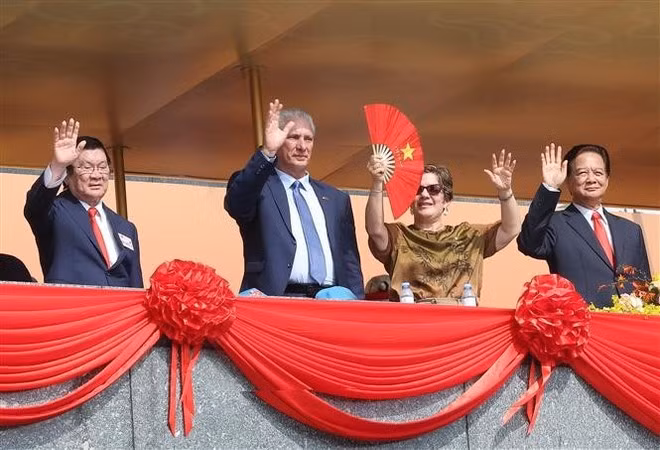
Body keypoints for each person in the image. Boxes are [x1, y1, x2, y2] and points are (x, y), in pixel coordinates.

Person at [225, 99, 364, 299]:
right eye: (293, 137)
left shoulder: (336, 199)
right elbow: (237, 204)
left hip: (332, 301)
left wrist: (358, 302)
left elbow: (350, 260)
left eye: (308, 139)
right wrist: (267, 152)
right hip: (278, 300)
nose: (302, 146)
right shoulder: (261, 187)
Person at [366, 150, 520, 303]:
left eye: (433, 189)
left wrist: (505, 192)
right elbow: (375, 230)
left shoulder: (468, 236)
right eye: (418, 190)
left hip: (460, 321)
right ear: (411, 203)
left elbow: (510, 228)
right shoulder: (399, 236)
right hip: (411, 321)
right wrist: (377, 183)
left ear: (446, 201)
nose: (425, 195)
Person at [517, 143, 650, 307]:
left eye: (598, 173)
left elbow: (644, 284)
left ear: (607, 179)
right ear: (568, 181)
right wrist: (549, 187)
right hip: (580, 325)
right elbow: (529, 244)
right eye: (582, 173)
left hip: (627, 325)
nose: (592, 179)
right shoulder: (555, 223)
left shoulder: (631, 230)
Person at [24, 118, 143, 288]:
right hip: (74, 311)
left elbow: (135, 283)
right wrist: (58, 165)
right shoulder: (55, 212)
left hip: (118, 313)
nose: (96, 175)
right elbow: (34, 207)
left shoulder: (126, 227)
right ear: (68, 174)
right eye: (86, 167)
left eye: (102, 167)